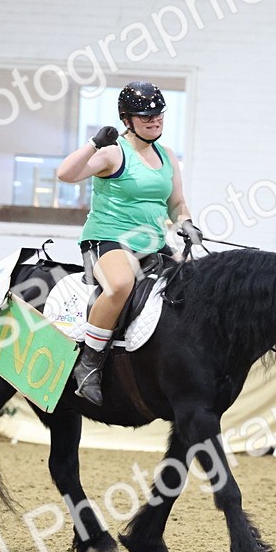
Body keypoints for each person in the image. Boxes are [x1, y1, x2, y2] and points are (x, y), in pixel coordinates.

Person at [56, 80, 203, 406]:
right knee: (121, 284)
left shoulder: (167, 155)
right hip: (108, 241)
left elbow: (176, 203)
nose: (154, 121)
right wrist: (93, 144)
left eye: (159, 116)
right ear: (127, 119)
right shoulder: (112, 151)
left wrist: (187, 223)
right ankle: (89, 364)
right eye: (145, 117)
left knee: (200, 281)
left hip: (153, 245)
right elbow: (65, 174)